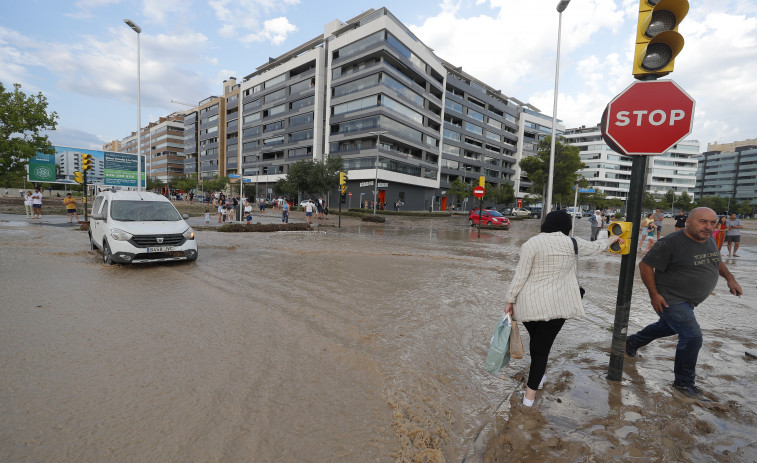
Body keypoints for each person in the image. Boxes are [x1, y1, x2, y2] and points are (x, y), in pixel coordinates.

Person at [503, 210, 623, 407]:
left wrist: (509, 300)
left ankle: (538, 378)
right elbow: (596, 247)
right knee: (542, 351)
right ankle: (528, 401)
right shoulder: (572, 243)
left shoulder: (531, 243)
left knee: (537, 344)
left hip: (527, 306)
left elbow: (520, 276)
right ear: (566, 227)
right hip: (556, 308)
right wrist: (614, 238)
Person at [626, 207, 743, 401]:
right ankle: (684, 383)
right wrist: (654, 295)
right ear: (688, 221)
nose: (708, 226)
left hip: (690, 301)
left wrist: (730, 278)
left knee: (667, 326)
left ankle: (631, 343)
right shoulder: (670, 242)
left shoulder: (709, 238)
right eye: (703, 222)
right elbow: (645, 265)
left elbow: (716, 260)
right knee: (692, 336)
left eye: (712, 223)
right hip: (672, 298)